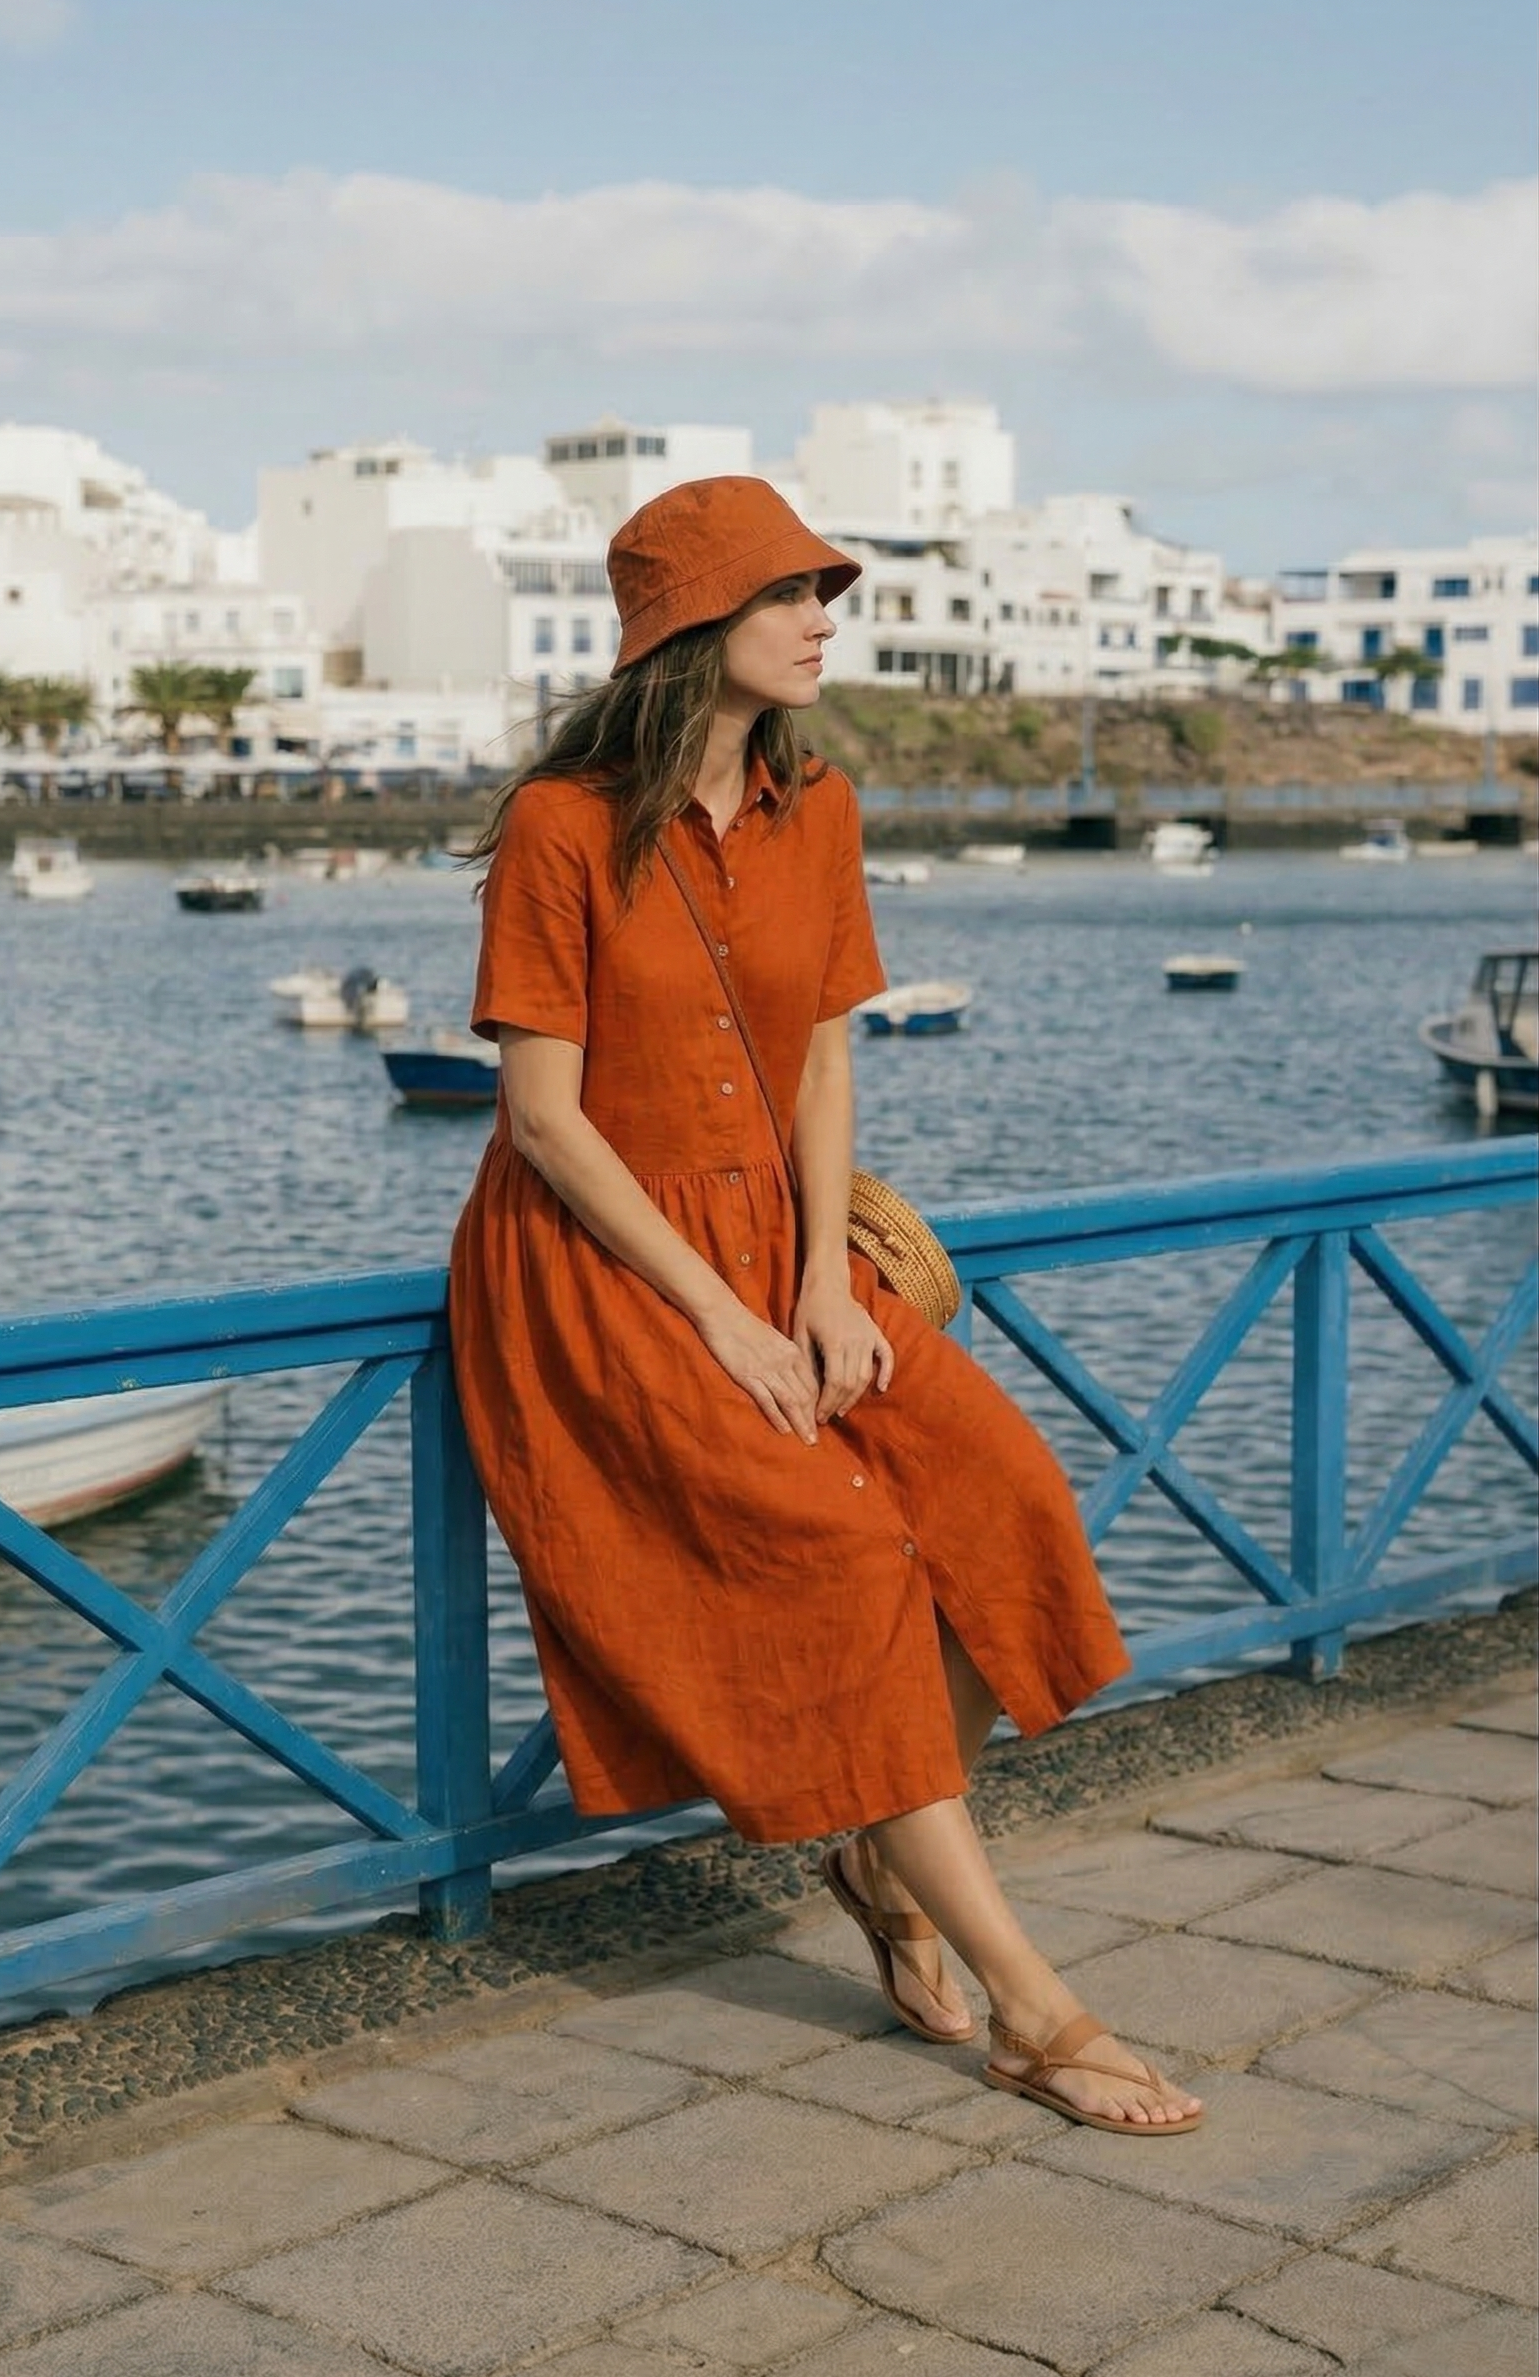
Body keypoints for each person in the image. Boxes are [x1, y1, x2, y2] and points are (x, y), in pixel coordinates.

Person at [450, 477, 1202, 2134]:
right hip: (604, 1256)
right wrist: (721, 1318)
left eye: (823, 587)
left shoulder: (822, 806)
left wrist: (810, 1282)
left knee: (1006, 1497)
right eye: (790, 591)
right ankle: (1031, 2006)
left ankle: (877, 1840)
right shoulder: (565, 826)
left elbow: (822, 1055)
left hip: (787, 1246)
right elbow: (546, 1119)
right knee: (855, 1567)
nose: (824, 616)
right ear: (691, 627)